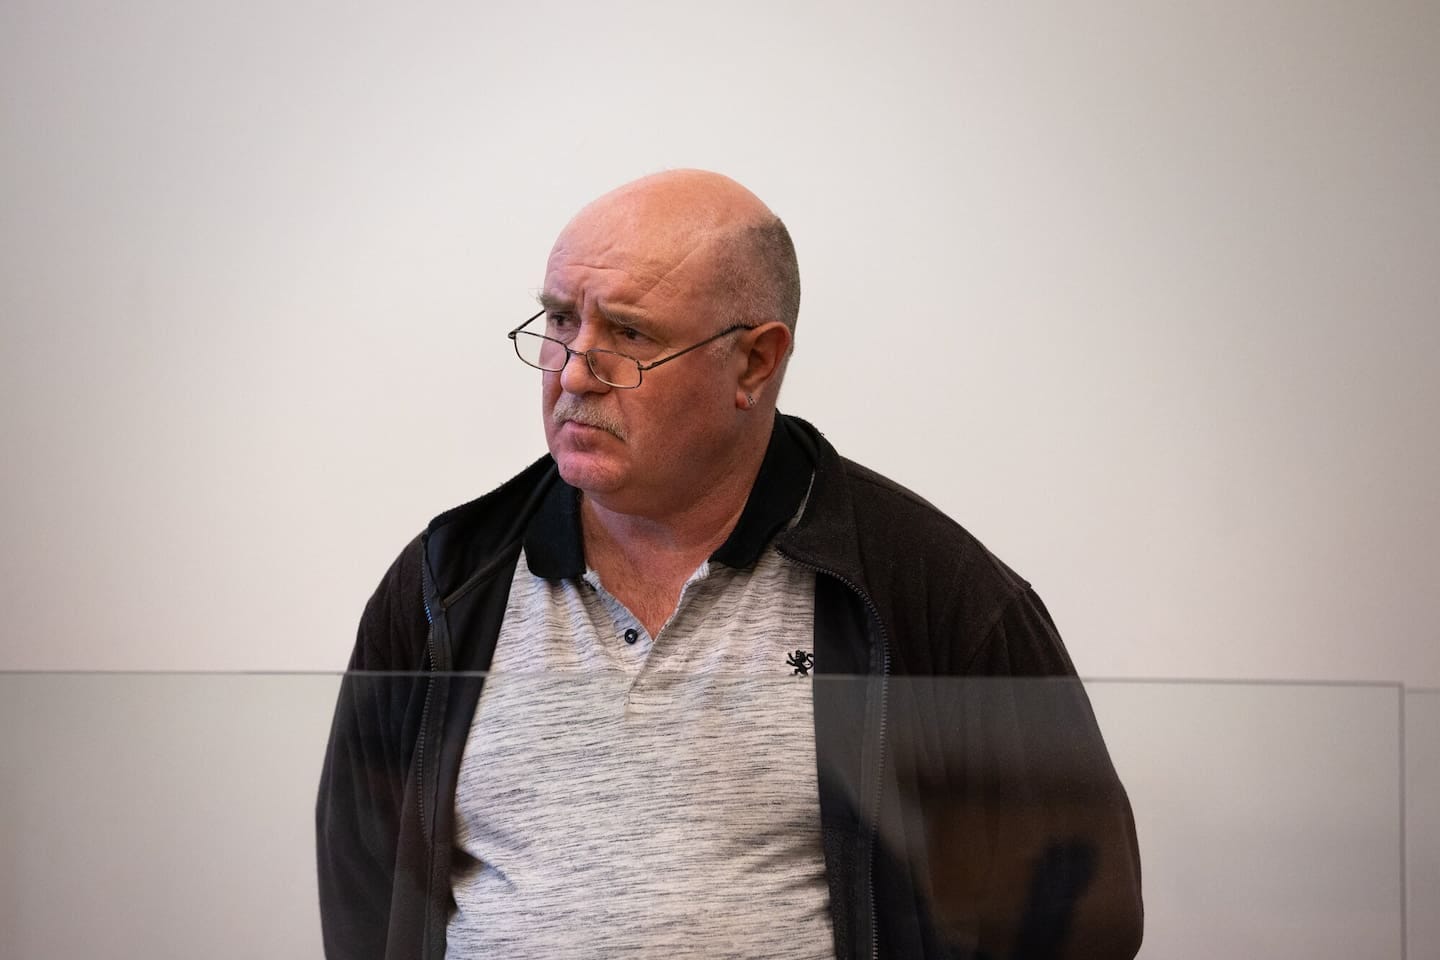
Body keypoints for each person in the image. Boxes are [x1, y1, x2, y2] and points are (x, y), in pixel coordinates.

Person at [316, 170, 1143, 959]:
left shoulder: (928, 591)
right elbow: (366, 895)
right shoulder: (445, 584)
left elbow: (1078, 915)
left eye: (629, 334)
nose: (573, 370)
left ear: (754, 362)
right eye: (562, 320)